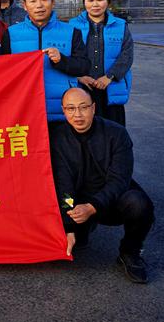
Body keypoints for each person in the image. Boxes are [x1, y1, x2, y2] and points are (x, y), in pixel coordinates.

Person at [50, 87, 154, 283]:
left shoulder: (117, 134)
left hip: (110, 200)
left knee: (139, 204)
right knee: (76, 242)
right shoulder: (58, 137)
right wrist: (68, 225)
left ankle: (130, 252)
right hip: (78, 200)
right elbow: (63, 184)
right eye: (70, 109)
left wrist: (93, 207)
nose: (77, 115)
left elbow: (119, 180)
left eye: (83, 107)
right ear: (63, 111)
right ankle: (83, 228)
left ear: (94, 108)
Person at [7, 0, 90, 123]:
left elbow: (84, 66)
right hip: (24, 109)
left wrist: (61, 60)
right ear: (24, 5)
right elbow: (4, 71)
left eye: (44, 0)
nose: (39, 5)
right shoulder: (10, 33)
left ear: (53, 3)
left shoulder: (71, 32)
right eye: (33, 1)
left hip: (62, 110)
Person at [69, 0, 134, 126]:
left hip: (111, 87)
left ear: (108, 2)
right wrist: (80, 76)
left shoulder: (120, 25)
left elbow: (127, 54)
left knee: (114, 129)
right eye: (90, 0)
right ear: (84, 3)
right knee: (84, 128)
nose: (95, 4)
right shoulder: (72, 25)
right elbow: (67, 55)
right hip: (83, 87)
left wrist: (109, 76)